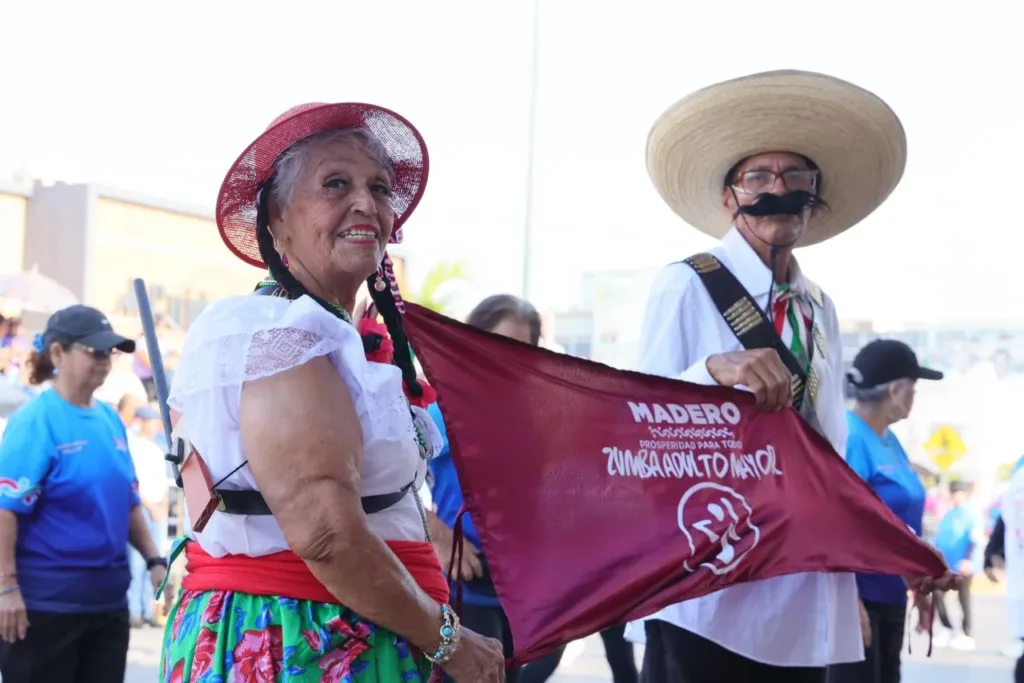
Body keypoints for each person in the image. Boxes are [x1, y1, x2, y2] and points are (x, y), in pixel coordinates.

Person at [159, 102, 504, 682]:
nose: (366, 203)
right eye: (335, 184)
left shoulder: (310, 330)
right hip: (305, 641)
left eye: (379, 187)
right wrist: (448, 642)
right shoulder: (280, 335)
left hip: (341, 627)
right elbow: (325, 533)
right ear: (277, 218)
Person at [628, 70, 909, 682]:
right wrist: (710, 370)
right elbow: (635, 421)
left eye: (796, 178)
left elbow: (829, 445)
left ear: (814, 197)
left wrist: (848, 575)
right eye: (758, 176)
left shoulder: (819, 308)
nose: (776, 191)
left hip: (799, 580)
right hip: (705, 581)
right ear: (730, 197)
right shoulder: (687, 283)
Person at [0, 305, 170, 683]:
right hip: (45, 609)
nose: (105, 361)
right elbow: (5, 510)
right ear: (58, 353)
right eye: (94, 351)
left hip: (107, 607)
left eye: (109, 351)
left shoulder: (110, 419)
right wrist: (6, 588)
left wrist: (155, 559)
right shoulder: (35, 421)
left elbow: (127, 502)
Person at [827, 339, 944, 683]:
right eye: (914, 389)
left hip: (892, 595)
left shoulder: (889, 440)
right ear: (896, 390)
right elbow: (838, 525)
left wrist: (918, 583)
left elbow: (902, 521)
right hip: (860, 600)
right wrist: (851, 601)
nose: (915, 399)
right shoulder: (850, 437)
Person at [117, 398, 171, 627]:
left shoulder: (157, 448)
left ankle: (150, 609)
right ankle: (134, 610)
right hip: (144, 507)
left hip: (158, 507)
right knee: (139, 562)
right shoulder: (133, 446)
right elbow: (133, 483)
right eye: (149, 420)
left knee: (156, 559)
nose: (153, 424)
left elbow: (165, 482)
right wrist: (151, 506)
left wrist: (164, 507)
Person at [933, 480, 979, 649]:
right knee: (937, 595)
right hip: (946, 565)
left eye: (957, 492)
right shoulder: (949, 514)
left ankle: (966, 633)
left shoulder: (971, 513)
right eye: (952, 492)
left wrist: (967, 559)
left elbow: (975, 538)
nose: (954, 496)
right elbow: (939, 538)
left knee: (963, 599)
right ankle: (946, 627)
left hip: (963, 565)